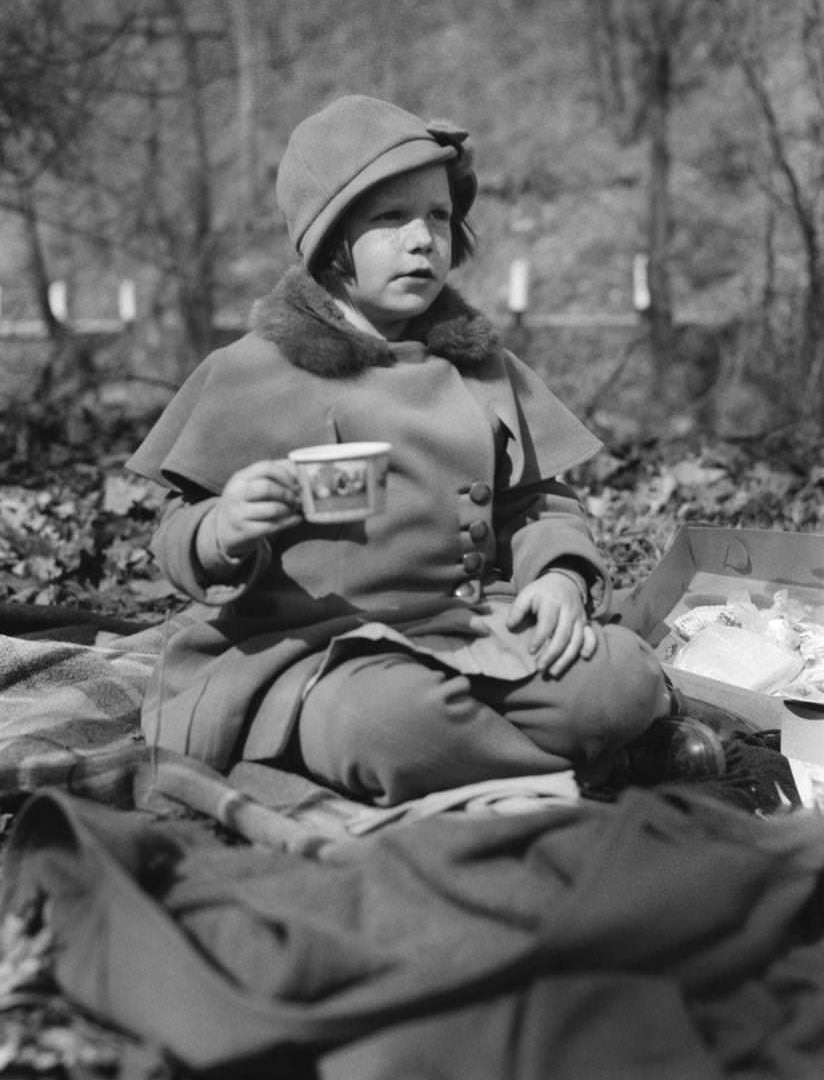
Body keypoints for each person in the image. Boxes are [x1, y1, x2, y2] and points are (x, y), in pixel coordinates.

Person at [127, 95, 725, 805]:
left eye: (438, 216)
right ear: (330, 239)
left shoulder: (478, 367)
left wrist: (559, 576)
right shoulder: (252, 372)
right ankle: (597, 775)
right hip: (318, 655)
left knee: (618, 678)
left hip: (471, 628)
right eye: (389, 218)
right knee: (390, 728)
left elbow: (538, 501)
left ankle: (515, 758)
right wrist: (222, 528)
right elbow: (173, 531)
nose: (423, 239)